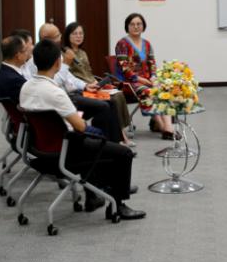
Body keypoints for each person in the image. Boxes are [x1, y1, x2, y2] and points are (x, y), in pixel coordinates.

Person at [19, 39, 145, 221]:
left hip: (38, 151)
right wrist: (101, 134)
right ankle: (118, 206)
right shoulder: (56, 93)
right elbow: (80, 127)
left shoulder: (25, 87)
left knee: (96, 143)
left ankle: (97, 193)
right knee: (122, 152)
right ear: (57, 63)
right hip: (66, 151)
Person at [65, 22, 132, 146]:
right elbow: (69, 77)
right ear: (68, 36)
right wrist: (89, 84)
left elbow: (89, 73)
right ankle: (121, 136)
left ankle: (121, 133)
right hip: (82, 90)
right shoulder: (67, 54)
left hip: (92, 85)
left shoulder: (82, 52)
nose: (78, 36)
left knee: (118, 94)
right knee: (112, 99)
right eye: (75, 34)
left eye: (81, 33)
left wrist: (97, 83)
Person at [114, 12, 174, 137]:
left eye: (139, 24)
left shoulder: (147, 44)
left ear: (143, 26)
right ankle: (163, 127)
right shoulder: (122, 44)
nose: (136, 27)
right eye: (132, 24)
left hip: (147, 80)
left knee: (164, 90)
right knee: (149, 92)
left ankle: (168, 126)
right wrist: (141, 79)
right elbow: (125, 68)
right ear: (127, 26)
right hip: (129, 82)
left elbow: (152, 63)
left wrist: (153, 77)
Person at [0, 33, 32, 104]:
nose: (27, 53)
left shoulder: (5, 71)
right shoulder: (14, 80)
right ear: (18, 55)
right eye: (25, 50)